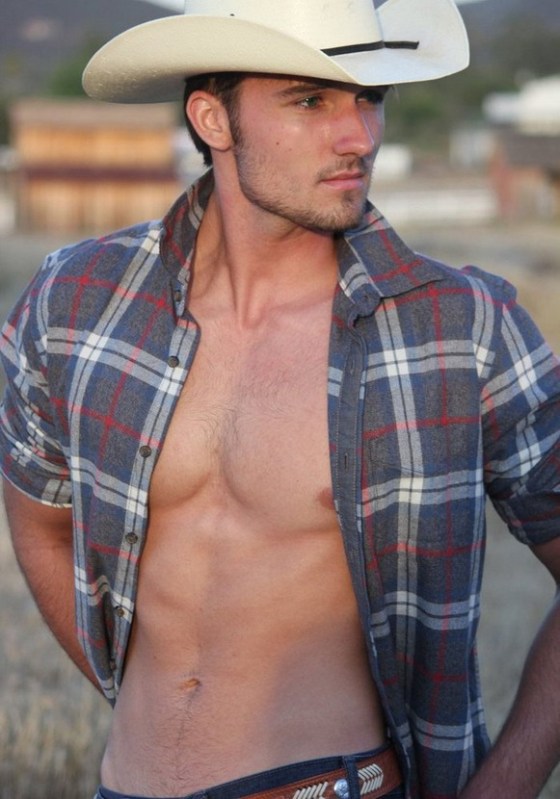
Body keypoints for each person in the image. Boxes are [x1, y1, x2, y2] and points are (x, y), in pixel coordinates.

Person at [1, 1, 559, 797]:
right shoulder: (80, 301)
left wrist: (500, 788)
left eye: (370, 98)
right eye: (311, 100)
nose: (358, 136)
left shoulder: (459, 326)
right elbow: (41, 516)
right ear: (213, 119)